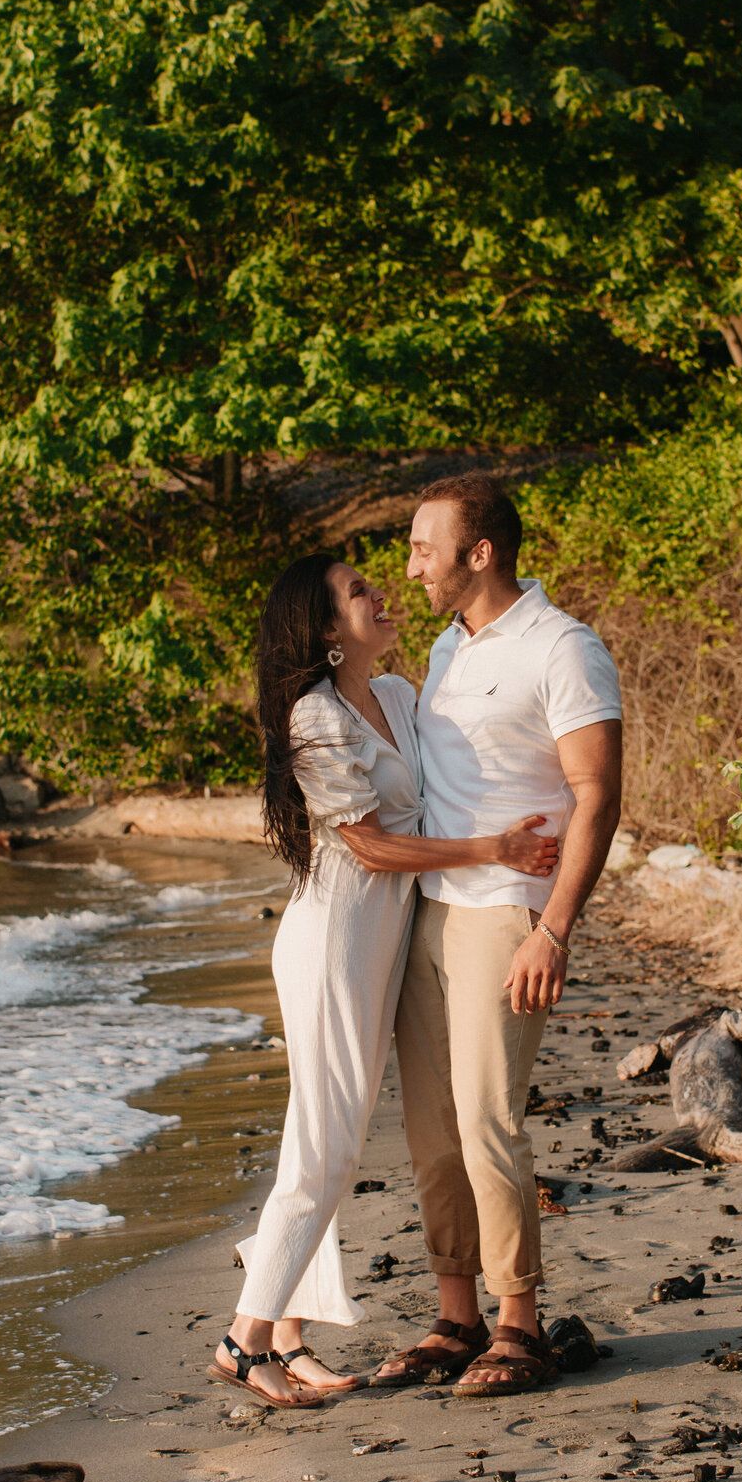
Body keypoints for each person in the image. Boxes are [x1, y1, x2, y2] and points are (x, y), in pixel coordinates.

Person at [209, 552, 562, 1408]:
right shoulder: (315, 718)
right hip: (334, 940)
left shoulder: (399, 697)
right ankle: (243, 1339)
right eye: (358, 591)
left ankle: (288, 1335)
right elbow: (368, 844)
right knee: (328, 1149)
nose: (380, 592)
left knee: (323, 1138)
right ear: (329, 631)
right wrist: (494, 849)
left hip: (384, 941)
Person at [366, 474, 623, 1397]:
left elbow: (598, 794)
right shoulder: (445, 645)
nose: (411, 564)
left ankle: (521, 1323)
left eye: (422, 547)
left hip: (507, 913)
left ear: (480, 553)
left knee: (487, 1122)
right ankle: (457, 1316)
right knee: (433, 1129)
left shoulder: (563, 647)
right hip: (428, 910)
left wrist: (551, 928)